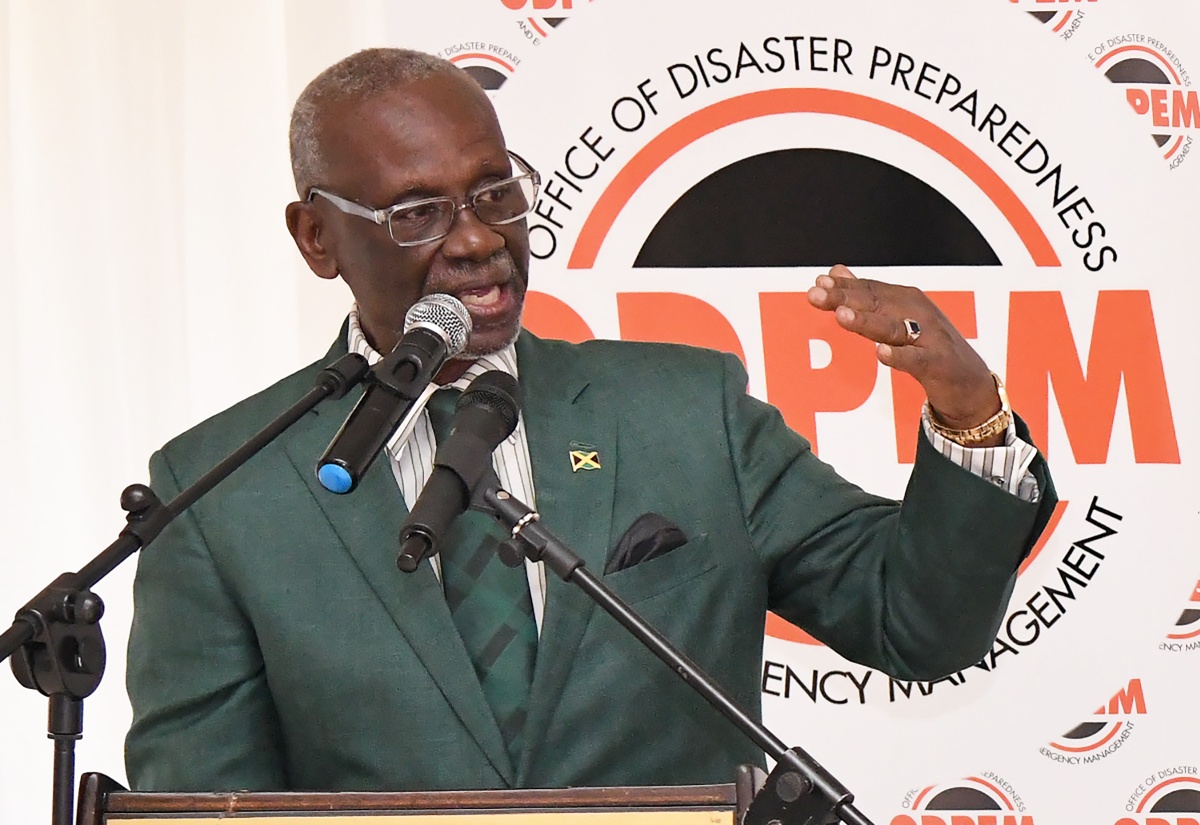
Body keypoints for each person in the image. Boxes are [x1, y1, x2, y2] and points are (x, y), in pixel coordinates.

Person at [124, 48, 1056, 793]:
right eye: (417, 212)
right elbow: (200, 802)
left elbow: (917, 623)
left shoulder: (687, 412)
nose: (479, 237)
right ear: (317, 237)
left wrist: (968, 408)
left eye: (496, 193)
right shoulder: (219, 492)